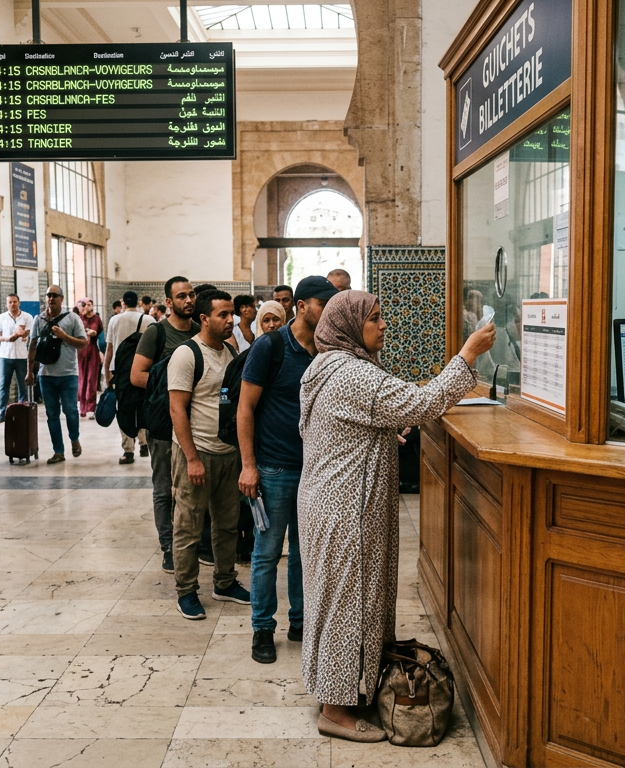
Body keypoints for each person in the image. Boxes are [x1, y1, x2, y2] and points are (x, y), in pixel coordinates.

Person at [296, 290, 494, 741]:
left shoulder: (329, 364)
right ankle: (337, 712)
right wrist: (466, 355)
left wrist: (380, 435)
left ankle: (352, 687)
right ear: (349, 327)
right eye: (375, 318)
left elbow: (345, 424)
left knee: (345, 602)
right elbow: (422, 404)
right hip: (345, 511)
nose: (384, 325)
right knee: (347, 605)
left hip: (331, 504)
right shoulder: (352, 375)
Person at [238, 276, 337, 664]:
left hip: (315, 470)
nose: (328, 309)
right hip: (274, 468)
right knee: (266, 553)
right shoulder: (271, 346)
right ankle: (263, 629)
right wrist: (248, 466)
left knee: (303, 553)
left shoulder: (328, 349)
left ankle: (300, 621)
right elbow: (245, 408)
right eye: (322, 303)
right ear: (301, 306)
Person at [168, 289, 251, 620]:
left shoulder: (230, 353)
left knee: (228, 524)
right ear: (203, 318)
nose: (230, 319)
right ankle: (186, 590)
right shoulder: (187, 355)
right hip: (196, 453)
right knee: (188, 526)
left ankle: (224, 581)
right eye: (223, 315)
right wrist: (191, 459)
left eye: (231, 313)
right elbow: (177, 409)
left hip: (227, 453)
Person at [130, 277, 199, 573]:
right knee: (164, 488)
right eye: (181, 296)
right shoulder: (156, 332)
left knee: (192, 486)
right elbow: (136, 375)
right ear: (169, 302)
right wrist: (176, 386)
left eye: (191, 294)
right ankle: (168, 546)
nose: (189, 300)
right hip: (161, 422)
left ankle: (193, 542)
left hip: (195, 421)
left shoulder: (199, 332)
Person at [26, 285, 89, 464]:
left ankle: (74, 438)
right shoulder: (39, 319)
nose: (51, 298)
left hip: (68, 373)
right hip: (46, 375)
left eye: (55, 295)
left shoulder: (72, 318)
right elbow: (32, 345)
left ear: (62, 298)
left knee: (70, 411)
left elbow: (83, 343)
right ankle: (58, 451)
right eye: (48, 295)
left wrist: (64, 336)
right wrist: (29, 371)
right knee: (52, 414)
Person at [103, 290, 150, 464]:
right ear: (138, 302)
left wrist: (106, 373)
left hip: (120, 372)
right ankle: (144, 444)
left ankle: (128, 450)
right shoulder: (148, 320)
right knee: (142, 405)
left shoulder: (115, 320)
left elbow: (109, 349)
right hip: (144, 369)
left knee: (124, 408)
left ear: (123, 303)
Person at [0, 294, 33, 420]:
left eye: (15, 302)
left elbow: (28, 332)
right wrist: (8, 338)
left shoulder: (27, 317)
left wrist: (21, 334)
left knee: (23, 384)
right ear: (6, 304)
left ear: (19, 303)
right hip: (5, 356)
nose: (12, 304)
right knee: (4, 384)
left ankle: (22, 410)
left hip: (21, 356)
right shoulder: (1, 318)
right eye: (10, 302)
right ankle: (2, 412)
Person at [75, 298, 104, 417]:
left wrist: (86, 331)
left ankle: (91, 407)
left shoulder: (96, 319)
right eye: (84, 304)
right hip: (80, 352)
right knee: (81, 379)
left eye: (89, 304)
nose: (87, 306)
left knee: (91, 379)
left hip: (92, 351)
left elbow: (94, 332)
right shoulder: (79, 319)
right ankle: (82, 407)